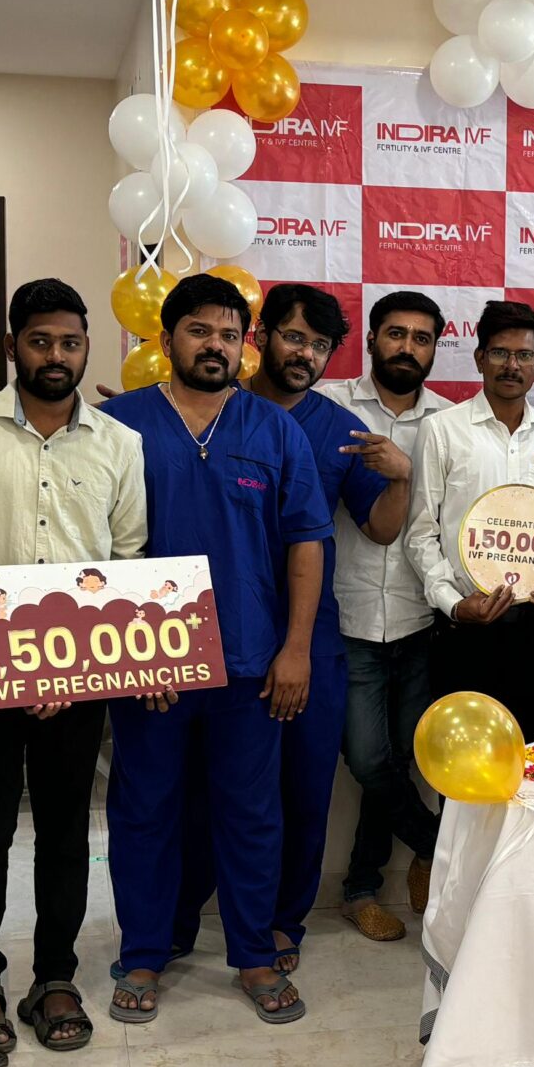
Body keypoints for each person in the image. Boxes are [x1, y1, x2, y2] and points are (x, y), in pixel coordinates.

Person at [101, 274, 330, 1028]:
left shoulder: (275, 431)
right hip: (150, 665)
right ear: (165, 340)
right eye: (199, 331)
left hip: (250, 664)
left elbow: (306, 544)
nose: (215, 346)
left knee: (251, 813)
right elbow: (96, 546)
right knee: (144, 810)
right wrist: (133, 658)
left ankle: (254, 956)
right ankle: (142, 953)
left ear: (244, 347)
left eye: (230, 335)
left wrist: (295, 650)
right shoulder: (119, 424)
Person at [184, 282, 410, 968]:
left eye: (319, 345)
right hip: (214, 636)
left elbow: (380, 529)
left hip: (311, 639)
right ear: (260, 338)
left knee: (306, 788)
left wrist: (401, 478)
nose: (304, 354)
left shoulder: (339, 429)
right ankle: (185, 917)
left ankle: (283, 921)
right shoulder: (209, 408)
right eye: (292, 337)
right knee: (206, 788)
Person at [0, 278, 145, 1055]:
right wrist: (15, 660)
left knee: (68, 830)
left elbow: (128, 557)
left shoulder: (120, 444)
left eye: (70, 343)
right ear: (13, 347)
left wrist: (63, 670)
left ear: (87, 348)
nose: (56, 356)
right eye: (40, 342)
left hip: (79, 674)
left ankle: (55, 977)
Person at [405, 298, 534, 739]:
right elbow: (421, 533)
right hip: (467, 629)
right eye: (500, 353)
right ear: (480, 358)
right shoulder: (442, 429)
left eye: (524, 355)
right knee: (465, 759)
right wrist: (453, 603)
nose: (511, 365)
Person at [331, 291, 451, 930]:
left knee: (401, 761)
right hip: (345, 614)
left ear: (435, 348)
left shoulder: (450, 422)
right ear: (372, 338)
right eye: (396, 334)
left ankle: (360, 889)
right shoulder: (328, 406)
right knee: (369, 759)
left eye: (421, 338)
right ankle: (440, 850)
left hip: (421, 616)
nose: (407, 347)